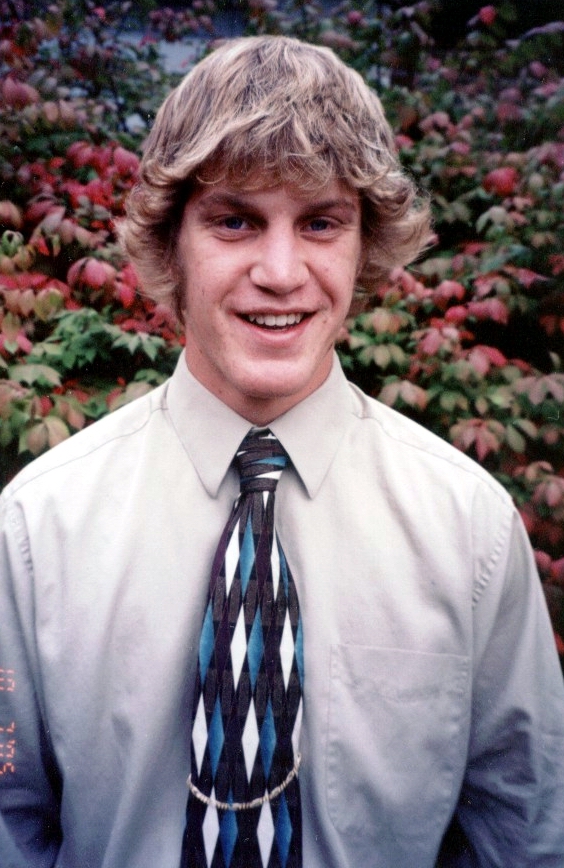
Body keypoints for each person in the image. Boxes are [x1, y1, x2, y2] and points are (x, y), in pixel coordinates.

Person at [1, 34, 563, 868]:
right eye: (234, 220)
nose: (280, 270)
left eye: (321, 222)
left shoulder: (468, 528)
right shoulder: (35, 528)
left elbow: (523, 833)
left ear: (365, 244)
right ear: (170, 243)